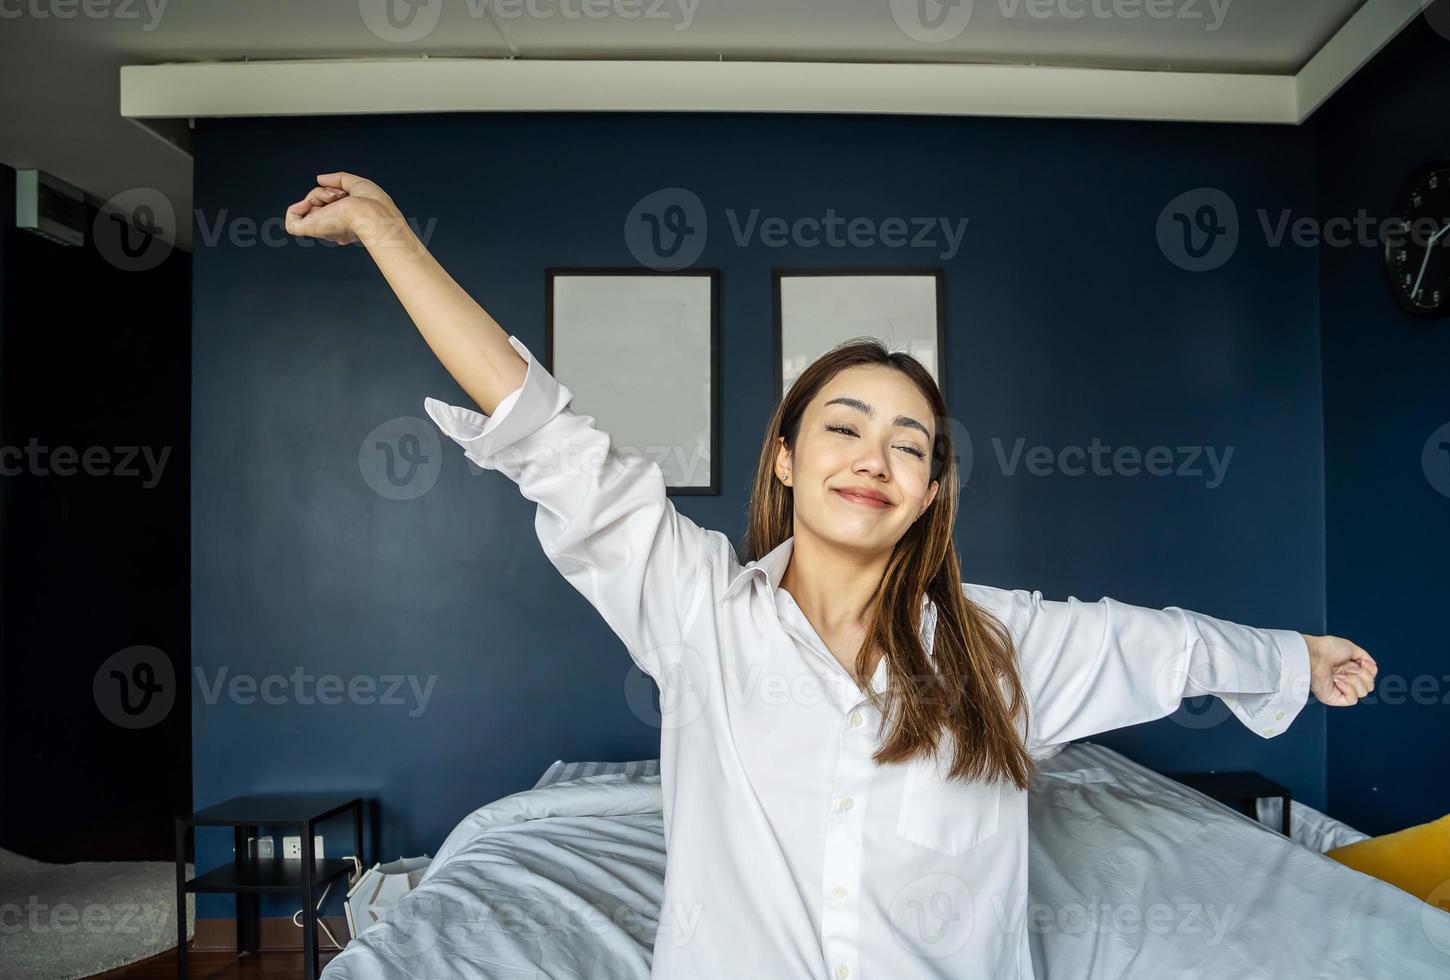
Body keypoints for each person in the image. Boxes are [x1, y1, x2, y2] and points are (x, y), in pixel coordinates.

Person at [285, 172, 1378, 980]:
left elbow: (1170, 644)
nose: (876, 454)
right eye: (845, 424)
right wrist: (388, 232)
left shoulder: (1007, 644)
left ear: (930, 488)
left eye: (911, 441)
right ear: (788, 458)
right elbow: (547, 435)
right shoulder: (701, 611)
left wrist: (1296, 655)